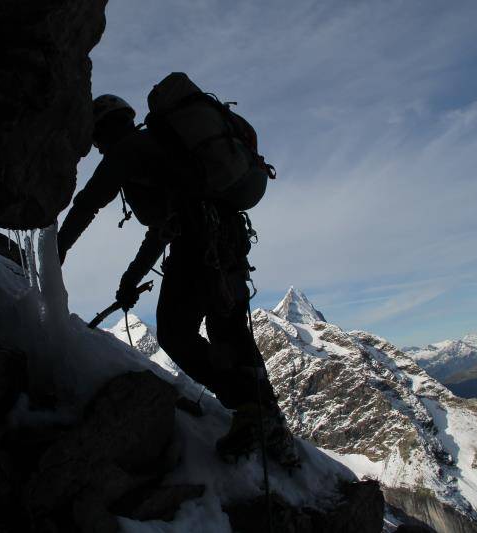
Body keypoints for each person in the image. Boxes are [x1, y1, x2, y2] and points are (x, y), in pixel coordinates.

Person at [58, 94, 299, 467]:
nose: (97, 147)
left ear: (103, 131)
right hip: (230, 243)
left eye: (96, 139)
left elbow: (88, 204)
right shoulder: (166, 151)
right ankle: (270, 426)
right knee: (230, 332)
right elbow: (162, 229)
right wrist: (130, 279)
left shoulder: (127, 152)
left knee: (175, 333)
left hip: (197, 249)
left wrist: (56, 250)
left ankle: (251, 409)